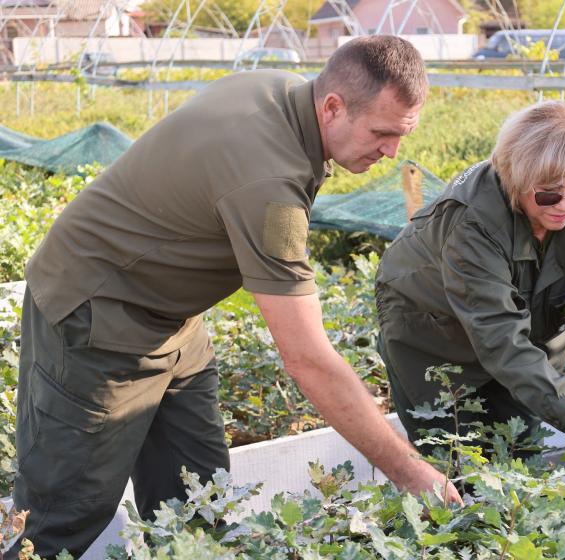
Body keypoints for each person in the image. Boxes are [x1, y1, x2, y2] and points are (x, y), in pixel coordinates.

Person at [11, 36, 461, 558]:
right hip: (94, 314)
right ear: (333, 106)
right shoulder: (268, 181)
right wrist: (409, 471)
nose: (392, 153)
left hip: (171, 316)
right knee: (58, 518)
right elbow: (307, 358)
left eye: (402, 135)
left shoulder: (282, 92)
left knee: (199, 501)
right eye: (383, 133)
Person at [375, 101, 565, 475]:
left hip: (524, 344)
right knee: (452, 470)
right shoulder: (472, 223)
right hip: (432, 337)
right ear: (517, 178)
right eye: (549, 194)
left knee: (521, 461)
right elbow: (498, 334)